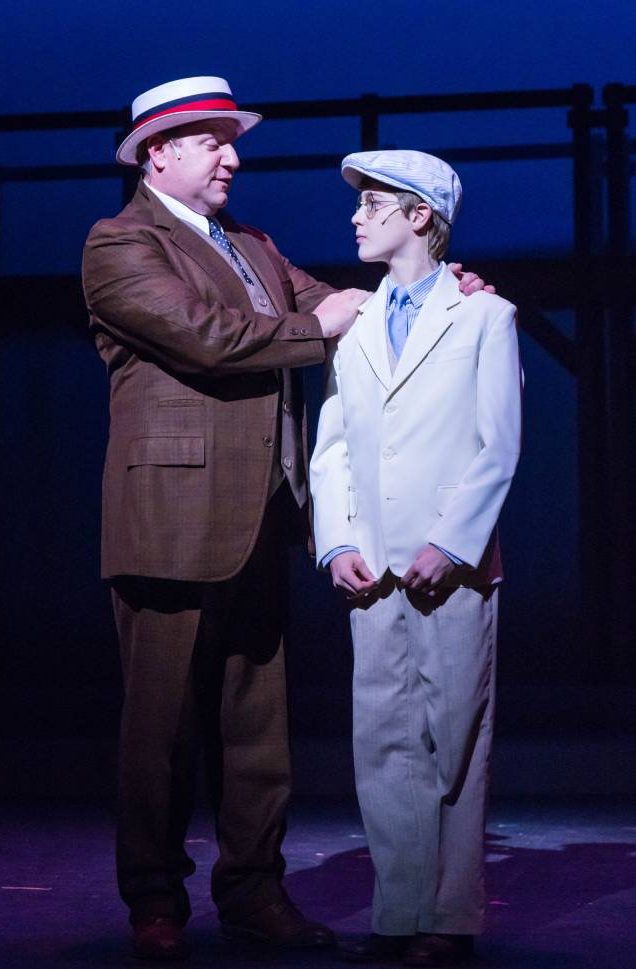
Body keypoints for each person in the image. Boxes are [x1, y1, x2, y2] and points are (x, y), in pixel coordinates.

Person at [82, 76, 489, 962]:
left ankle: (255, 891)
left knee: (256, 731)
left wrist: (435, 289)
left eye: (233, 142)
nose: (233, 157)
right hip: (169, 517)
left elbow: (349, 306)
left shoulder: (253, 244)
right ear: (159, 154)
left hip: (262, 515)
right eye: (214, 142)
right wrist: (324, 323)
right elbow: (207, 337)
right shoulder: (119, 243)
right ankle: (155, 898)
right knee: (160, 729)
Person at [310, 150, 522, 968]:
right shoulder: (355, 323)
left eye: (373, 205)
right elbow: (333, 447)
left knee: (455, 735)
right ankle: (398, 912)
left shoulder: (484, 316)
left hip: (449, 565)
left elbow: (497, 446)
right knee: (383, 741)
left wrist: (453, 540)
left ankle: (451, 916)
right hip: (372, 569)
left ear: (420, 216)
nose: (356, 217)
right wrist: (338, 540)